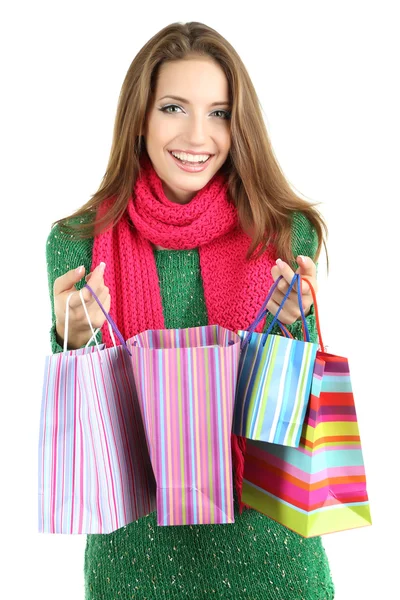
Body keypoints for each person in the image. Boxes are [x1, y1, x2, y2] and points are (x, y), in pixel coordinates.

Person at [46, 21, 334, 600]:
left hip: (275, 562)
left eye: (220, 112)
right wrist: (70, 336)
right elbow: (88, 415)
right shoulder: (77, 242)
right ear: (141, 117)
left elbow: (301, 414)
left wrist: (294, 325)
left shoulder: (284, 231)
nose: (198, 134)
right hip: (133, 568)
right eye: (175, 107)